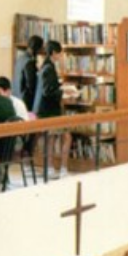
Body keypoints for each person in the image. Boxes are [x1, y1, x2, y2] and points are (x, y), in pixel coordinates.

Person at [34, 40, 73, 179]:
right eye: (60, 53)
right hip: (50, 111)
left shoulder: (45, 66)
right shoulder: (49, 68)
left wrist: (60, 87)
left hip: (45, 110)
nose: (61, 56)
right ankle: (63, 168)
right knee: (66, 137)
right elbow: (48, 91)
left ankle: (50, 168)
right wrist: (64, 91)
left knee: (50, 138)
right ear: (54, 53)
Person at [20, 35, 44, 112]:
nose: (41, 51)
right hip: (27, 100)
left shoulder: (21, 58)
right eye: (40, 48)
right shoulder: (29, 62)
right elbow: (31, 84)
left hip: (19, 97)